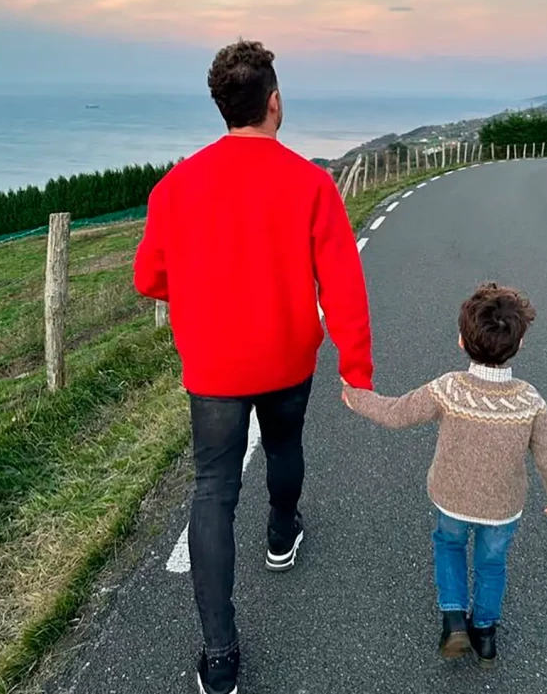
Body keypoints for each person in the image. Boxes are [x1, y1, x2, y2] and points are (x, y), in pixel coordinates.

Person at [134, 40, 373, 694]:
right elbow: (343, 284)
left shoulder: (176, 186)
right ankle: (280, 532)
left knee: (212, 490)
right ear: (275, 102)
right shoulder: (311, 183)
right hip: (289, 354)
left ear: (223, 106)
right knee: (286, 442)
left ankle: (219, 656)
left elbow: (147, 275)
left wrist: (200, 292)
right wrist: (357, 368)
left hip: (212, 365)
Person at [342, 282, 547, 667]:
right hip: (502, 506)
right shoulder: (530, 400)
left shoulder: (449, 388)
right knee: (491, 563)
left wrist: (357, 397)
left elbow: (398, 413)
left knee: (449, 546)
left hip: (451, 496)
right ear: (520, 343)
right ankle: (485, 635)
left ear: (462, 341)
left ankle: (453, 620)